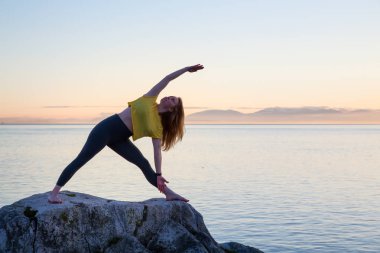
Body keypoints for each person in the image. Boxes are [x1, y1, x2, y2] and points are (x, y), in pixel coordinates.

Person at [48, 64, 204, 204]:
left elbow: (157, 151)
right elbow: (168, 78)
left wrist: (159, 173)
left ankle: (169, 194)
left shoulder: (157, 126)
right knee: (81, 160)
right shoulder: (149, 99)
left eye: (172, 100)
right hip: (105, 129)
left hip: (120, 139)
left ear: (172, 110)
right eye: (170, 96)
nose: (168, 97)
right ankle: (54, 194)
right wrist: (186, 69)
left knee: (143, 163)